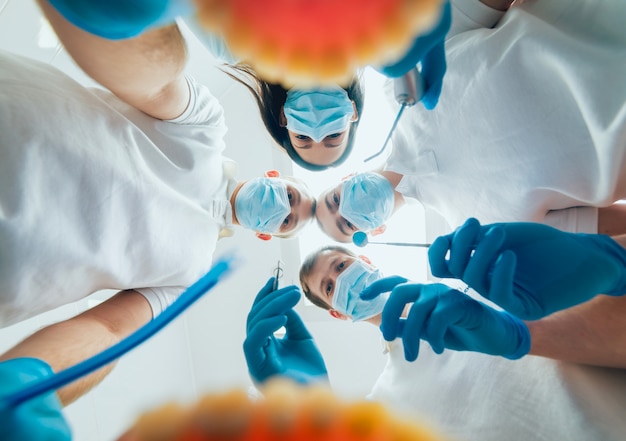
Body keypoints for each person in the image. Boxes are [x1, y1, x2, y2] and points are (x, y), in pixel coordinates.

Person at [316, 0, 626, 240]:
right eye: (347, 224)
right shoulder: (477, 230)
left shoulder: (402, 78)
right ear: (375, 232)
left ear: (347, 177)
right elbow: (610, 231)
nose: (346, 209)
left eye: (334, 200)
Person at [241, 251, 626, 441]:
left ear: (365, 259)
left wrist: (518, 331)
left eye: (340, 266)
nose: (341, 280)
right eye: (329, 288)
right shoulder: (386, 404)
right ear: (340, 314)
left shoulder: (478, 277)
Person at [42, 0, 452, 170]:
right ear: (353, 115)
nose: (317, 130)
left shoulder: (230, 46)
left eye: (305, 139)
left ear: (283, 120)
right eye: (333, 137)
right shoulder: (377, 39)